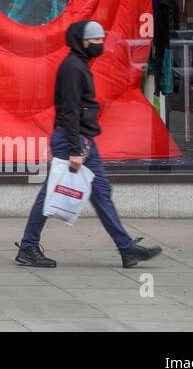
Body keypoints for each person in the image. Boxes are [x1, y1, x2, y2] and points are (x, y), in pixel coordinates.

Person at [14, 20, 163, 269]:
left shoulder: (78, 64)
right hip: (76, 140)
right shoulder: (74, 68)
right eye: (95, 41)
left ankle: (126, 249)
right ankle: (28, 247)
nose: (99, 44)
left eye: (100, 40)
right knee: (50, 195)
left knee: (102, 194)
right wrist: (73, 148)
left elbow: (65, 107)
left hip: (80, 139)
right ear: (82, 41)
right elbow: (70, 110)